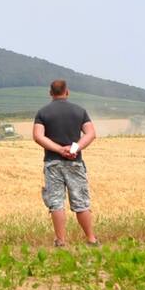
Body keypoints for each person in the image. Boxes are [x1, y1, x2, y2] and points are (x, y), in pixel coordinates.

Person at [32, 79, 99, 247]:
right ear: (67, 92)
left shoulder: (42, 113)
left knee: (56, 203)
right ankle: (91, 239)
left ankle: (61, 241)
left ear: (50, 93)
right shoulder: (79, 111)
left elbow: (38, 136)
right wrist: (74, 148)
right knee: (81, 202)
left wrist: (59, 149)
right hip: (75, 162)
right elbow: (91, 133)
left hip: (52, 162)